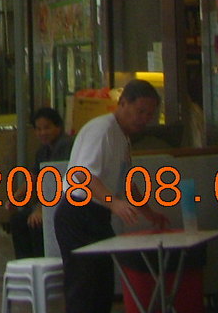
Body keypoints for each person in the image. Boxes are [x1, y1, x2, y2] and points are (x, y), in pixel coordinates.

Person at [55, 79, 167, 313]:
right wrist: (114, 203)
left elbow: (126, 181)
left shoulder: (123, 138)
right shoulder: (102, 130)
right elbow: (83, 175)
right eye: (140, 111)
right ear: (123, 103)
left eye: (149, 114)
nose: (144, 119)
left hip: (97, 215)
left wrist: (149, 213)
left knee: (102, 284)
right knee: (84, 286)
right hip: (78, 212)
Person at [10, 106, 74, 260]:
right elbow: (33, 177)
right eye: (38, 129)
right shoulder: (43, 151)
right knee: (18, 220)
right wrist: (16, 196)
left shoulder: (65, 146)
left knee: (35, 223)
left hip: (64, 203)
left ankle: (43, 263)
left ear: (58, 127)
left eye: (47, 128)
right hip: (48, 204)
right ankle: (26, 264)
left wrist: (41, 210)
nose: (42, 133)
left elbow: (56, 183)